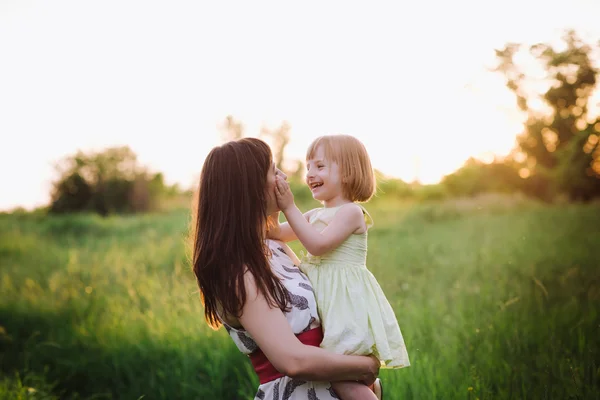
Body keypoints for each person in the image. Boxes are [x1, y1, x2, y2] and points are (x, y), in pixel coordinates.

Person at [191, 137, 381, 400]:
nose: (283, 177)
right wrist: (367, 366)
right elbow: (293, 361)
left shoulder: (273, 247)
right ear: (250, 187)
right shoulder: (239, 272)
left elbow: (272, 229)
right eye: (273, 170)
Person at [270, 134, 410, 399]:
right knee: (333, 376)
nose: (310, 173)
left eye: (320, 166)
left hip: (344, 306)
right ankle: (370, 389)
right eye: (308, 166)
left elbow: (318, 246)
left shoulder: (351, 212)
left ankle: (370, 392)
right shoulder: (314, 214)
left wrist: (289, 206)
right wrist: (269, 201)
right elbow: (275, 233)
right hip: (325, 304)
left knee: (341, 379)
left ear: (347, 173)